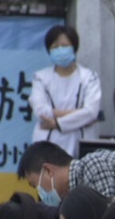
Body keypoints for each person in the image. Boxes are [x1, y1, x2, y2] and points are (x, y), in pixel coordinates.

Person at [29, 25, 100, 157]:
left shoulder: (89, 77)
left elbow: (91, 112)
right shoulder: (41, 78)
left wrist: (57, 123)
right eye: (55, 47)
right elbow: (40, 111)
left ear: (74, 47)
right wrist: (79, 114)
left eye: (65, 45)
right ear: (49, 51)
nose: (60, 50)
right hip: (48, 142)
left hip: (81, 143)